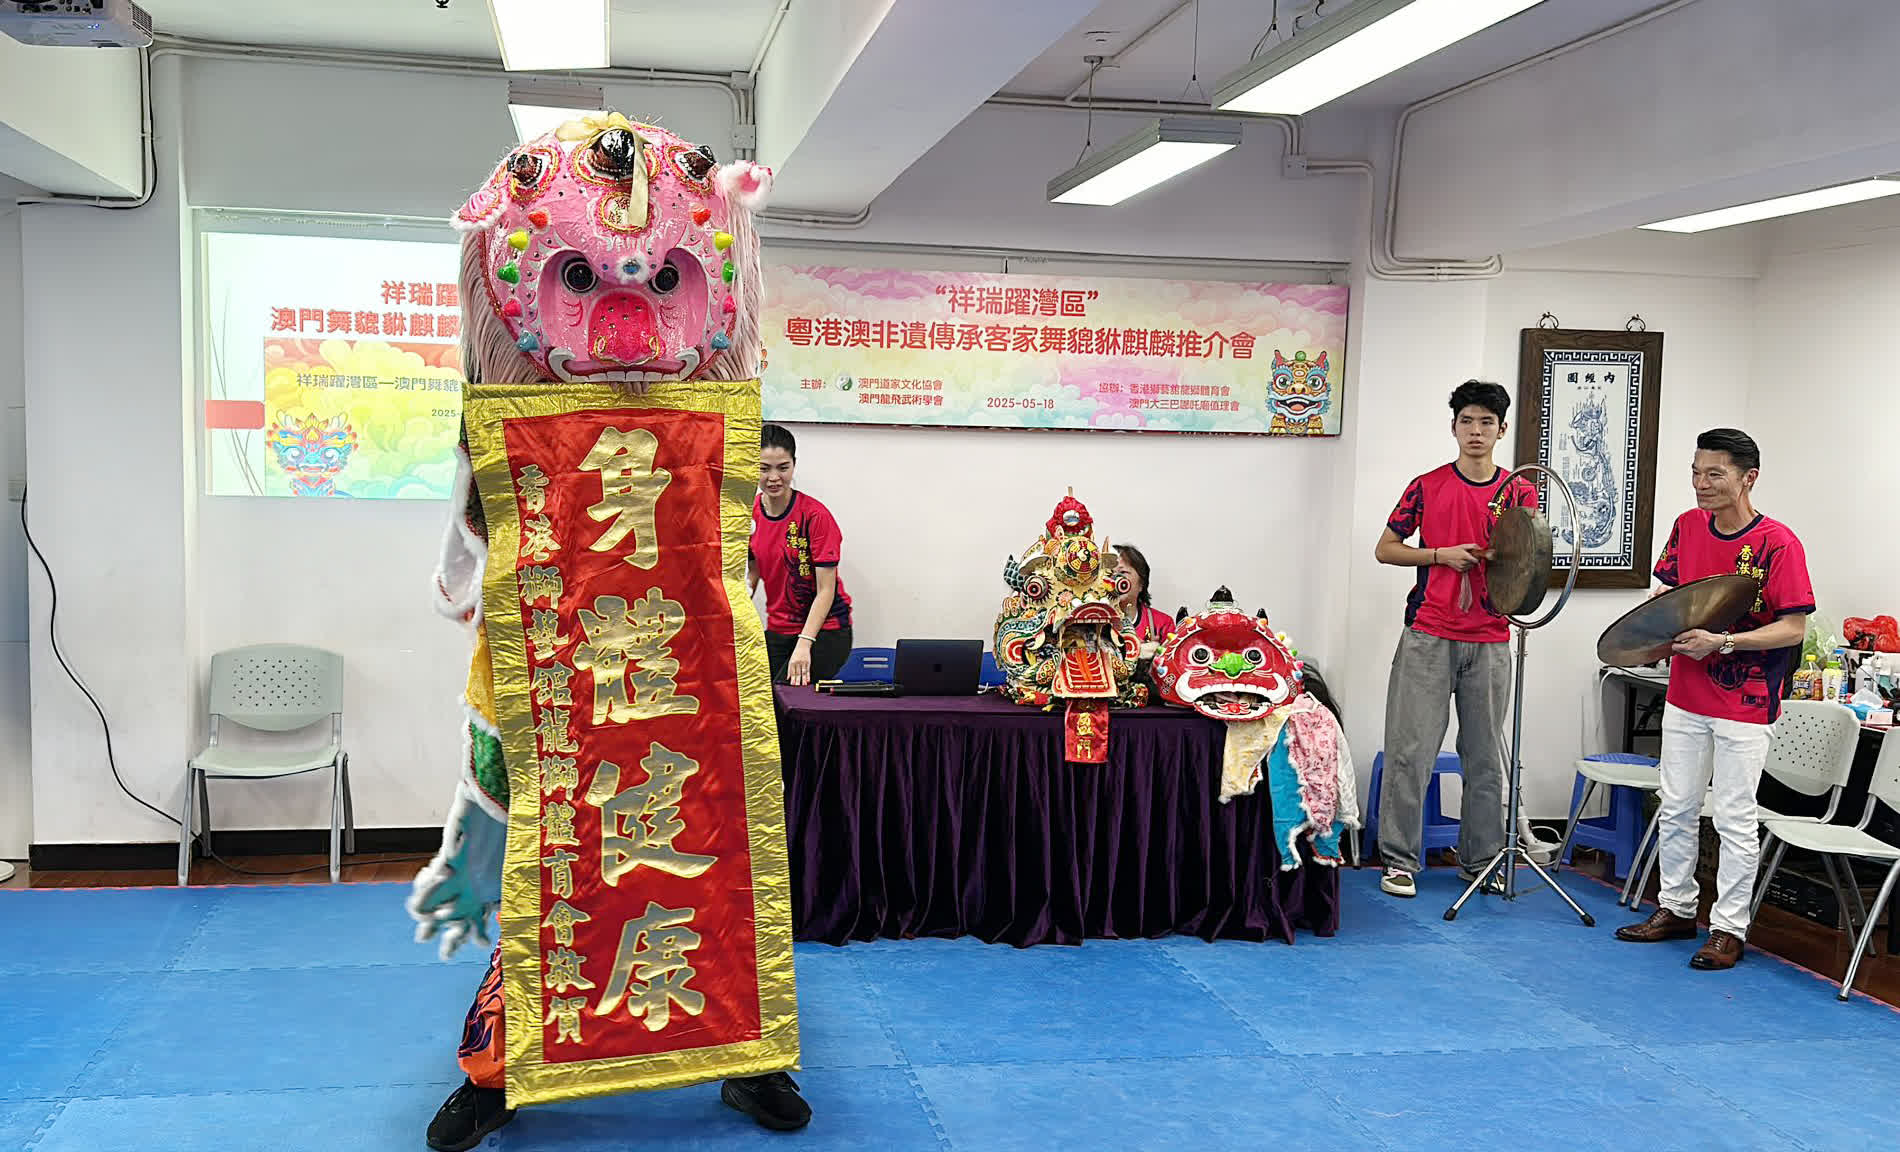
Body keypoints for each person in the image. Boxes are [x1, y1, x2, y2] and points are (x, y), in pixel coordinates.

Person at [1615, 428, 1813, 970]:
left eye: (1714, 474)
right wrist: (1655, 632)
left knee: (1732, 816)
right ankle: (1677, 908)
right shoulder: (1686, 526)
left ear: (1748, 478)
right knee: (1676, 805)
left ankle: (1728, 928)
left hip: (1746, 702)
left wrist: (1723, 642)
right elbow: (1670, 595)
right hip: (1685, 694)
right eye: (1696, 473)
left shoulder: (1778, 543)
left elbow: (1793, 627)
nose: (1701, 484)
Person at [1372, 380, 1537, 898]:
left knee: (1485, 757)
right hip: (1428, 633)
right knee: (1411, 751)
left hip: (1491, 636)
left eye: (1487, 422)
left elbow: (1529, 561)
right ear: (1453, 427)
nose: (1476, 431)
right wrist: (1439, 555)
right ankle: (1399, 861)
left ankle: (1482, 862)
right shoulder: (1426, 486)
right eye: (1467, 421)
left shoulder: (1519, 492)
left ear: (1502, 430)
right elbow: (1386, 548)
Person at [749, 423, 855, 685]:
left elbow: (826, 590)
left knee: (789, 697)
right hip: (779, 627)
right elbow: (753, 572)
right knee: (759, 697)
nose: (774, 477)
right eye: (764, 468)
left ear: (794, 465)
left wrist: (805, 643)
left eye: (783, 467)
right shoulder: (748, 514)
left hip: (825, 630)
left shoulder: (815, 516)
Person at [1113, 543, 1175, 650]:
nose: (1115, 579)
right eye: (1109, 573)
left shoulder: (1162, 624)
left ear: (1141, 583)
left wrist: (1156, 653)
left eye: (1123, 572)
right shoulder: (1093, 620)